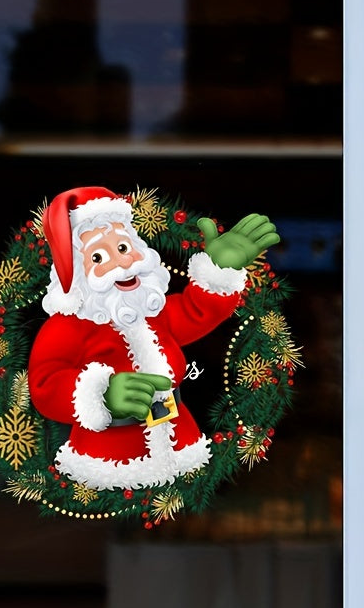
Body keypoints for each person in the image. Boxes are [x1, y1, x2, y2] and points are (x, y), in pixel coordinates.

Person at [28, 185, 278, 489]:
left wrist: (219, 269)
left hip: (181, 442)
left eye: (122, 248)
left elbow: (195, 310)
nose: (122, 263)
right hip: (110, 460)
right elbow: (45, 384)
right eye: (98, 256)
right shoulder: (66, 326)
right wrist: (100, 394)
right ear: (77, 273)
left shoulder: (153, 311)